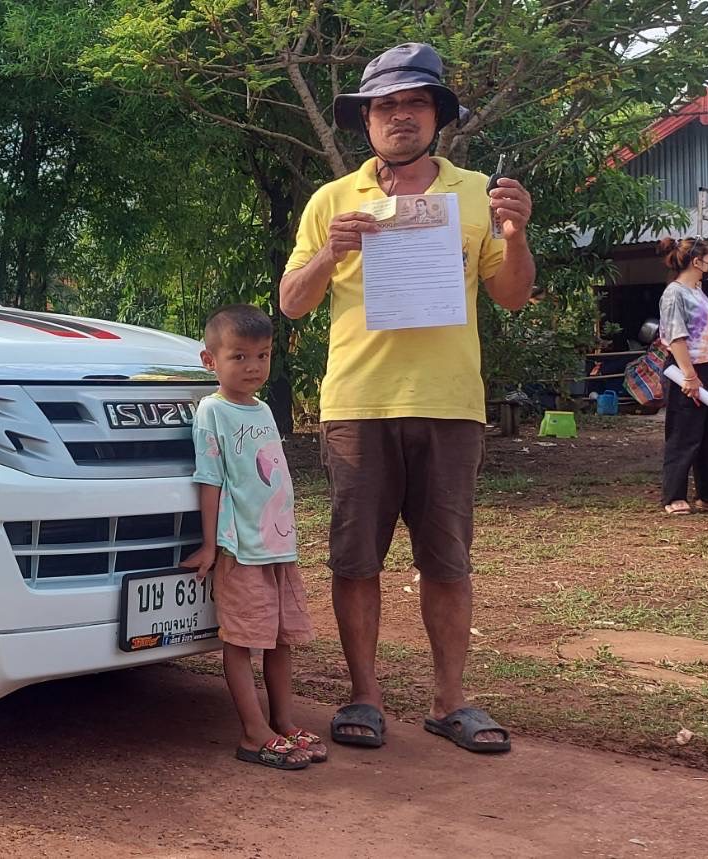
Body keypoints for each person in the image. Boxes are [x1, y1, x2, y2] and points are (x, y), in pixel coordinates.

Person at [278, 43, 536, 754]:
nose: (400, 116)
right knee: (355, 559)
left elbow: (512, 295)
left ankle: (450, 700)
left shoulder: (479, 194)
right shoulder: (333, 200)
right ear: (366, 121)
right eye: (385, 105)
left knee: (447, 561)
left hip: (450, 404)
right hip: (358, 405)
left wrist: (516, 235)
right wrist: (330, 252)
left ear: (437, 116)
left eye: (415, 102)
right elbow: (292, 303)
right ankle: (364, 696)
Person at [180, 304, 325, 771]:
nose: (253, 367)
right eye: (239, 356)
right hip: (241, 549)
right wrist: (210, 545)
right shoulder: (212, 411)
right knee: (242, 641)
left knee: (280, 639)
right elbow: (210, 479)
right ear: (210, 360)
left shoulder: (262, 408)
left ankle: (283, 721)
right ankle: (252, 731)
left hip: (278, 548)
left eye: (262, 355)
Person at [656, 237, 708, 516]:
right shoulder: (674, 294)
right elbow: (675, 337)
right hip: (687, 370)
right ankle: (674, 496)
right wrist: (689, 376)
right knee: (684, 434)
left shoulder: (698, 291)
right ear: (696, 261)